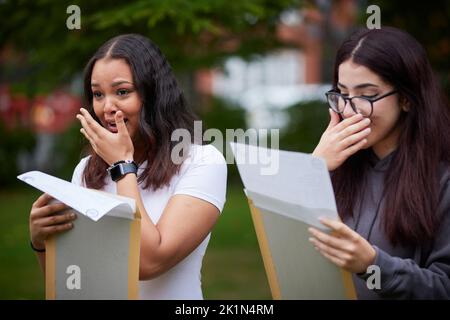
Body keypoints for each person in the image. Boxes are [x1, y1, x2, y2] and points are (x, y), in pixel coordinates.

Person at [28, 34, 227, 299]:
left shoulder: (201, 162)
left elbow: (148, 262)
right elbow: (71, 287)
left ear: (153, 95)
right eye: (98, 94)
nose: (106, 107)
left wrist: (123, 166)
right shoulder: (87, 170)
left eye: (122, 92)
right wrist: (41, 243)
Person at [309, 27, 450, 299]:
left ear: (407, 98)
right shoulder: (335, 166)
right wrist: (313, 170)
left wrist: (373, 266)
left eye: (368, 95)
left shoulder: (442, 178)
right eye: (342, 93)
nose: (349, 110)